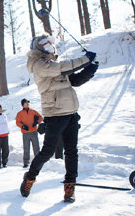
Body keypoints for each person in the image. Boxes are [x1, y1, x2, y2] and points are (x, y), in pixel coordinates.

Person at [20, 34, 99, 203]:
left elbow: (74, 80)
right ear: (37, 47)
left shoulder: (53, 63)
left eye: (50, 42)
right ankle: (30, 178)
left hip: (71, 113)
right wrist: (85, 59)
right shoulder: (39, 64)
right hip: (55, 115)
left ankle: (70, 187)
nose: (49, 45)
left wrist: (89, 70)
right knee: (48, 151)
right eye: (44, 43)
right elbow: (63, 68)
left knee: (71, 152)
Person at [16, 98, 43, 168]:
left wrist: (36, 122)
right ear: (23, 104)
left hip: (34, 132)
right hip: (25, 133)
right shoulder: (19, 113)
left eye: (28, 102)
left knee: (36, 148)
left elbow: (41, 117)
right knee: (26, 148)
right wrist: (23, 126)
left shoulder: (33, 111)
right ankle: (26, 163)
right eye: (26, 102)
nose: (27, 103)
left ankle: (38, 162)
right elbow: (17, 122)